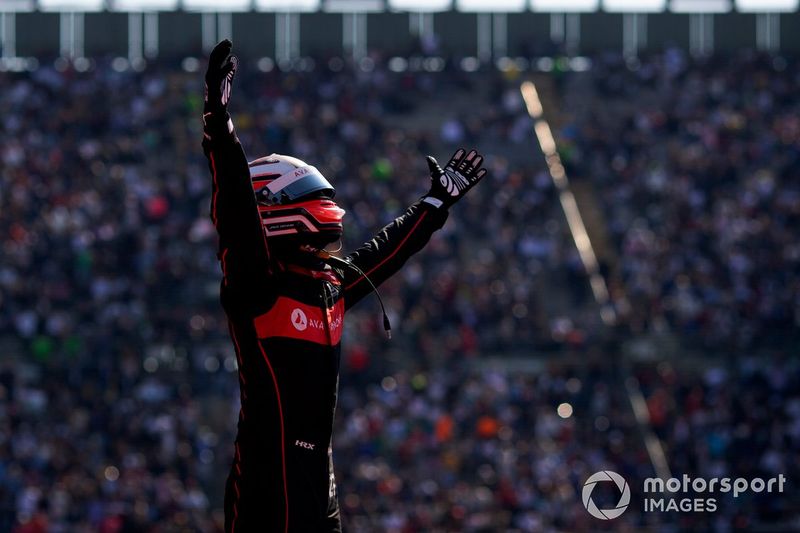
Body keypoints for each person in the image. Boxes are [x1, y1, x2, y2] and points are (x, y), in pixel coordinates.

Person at [202, 39, 488, 532]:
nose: (330, 209)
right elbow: (235, 214)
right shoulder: (258, 286)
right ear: (275, 209)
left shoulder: (328, 286)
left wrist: (434, 206)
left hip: (319, 483)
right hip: (267, 490)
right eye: (314, 196)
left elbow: (382, 255)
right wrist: (221, 130)